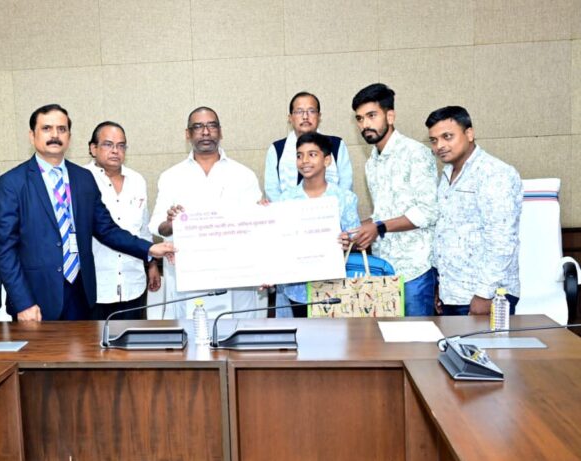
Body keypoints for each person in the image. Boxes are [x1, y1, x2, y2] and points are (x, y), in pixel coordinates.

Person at [0, 104, 174, 321]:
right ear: (32, 136)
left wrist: (149, 249)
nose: (55, 135)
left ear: (69, 137)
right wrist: (23, 302)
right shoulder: (12, 183)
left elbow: (106, 229)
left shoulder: (83, 178)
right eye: (47, 128)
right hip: (36, 299)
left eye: (62, 129)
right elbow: (5, 249)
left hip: (81, 294)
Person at [150, 106, 262, 320]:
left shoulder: (243, 175)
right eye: (198, 126)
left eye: (212, 125)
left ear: (220, 131)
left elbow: (256, 225)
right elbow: (157, 226)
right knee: (191, 335)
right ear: (188, 134)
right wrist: (170, 223)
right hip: (189, 278)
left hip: (236, 277)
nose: (206, 131)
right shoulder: (171, 176)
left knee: (238, 334)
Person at [349, 83, 439, 316]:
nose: (365, 124)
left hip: (415, 271)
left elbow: (428, 212)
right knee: (385, 338)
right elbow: (382, 213)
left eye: (371, 116)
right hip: (382, 270)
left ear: (390, 116)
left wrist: (378, 227)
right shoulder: (372, 163)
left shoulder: (415, 153)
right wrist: (356, 231)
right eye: (360, 119)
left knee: (417, 338)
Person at [426, 106, 522, 315]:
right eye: (434, 140)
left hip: (484, 296)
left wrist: (484, 295)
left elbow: (502, 240)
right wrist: (440, 286)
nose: (439, 146)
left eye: (447, 136)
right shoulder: (448, 173)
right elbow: (444, 233)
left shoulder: (495, 173)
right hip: (453, 293)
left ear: (469, 133)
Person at [264, 91, 353, 317]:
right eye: (299, 111)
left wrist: (345, 237)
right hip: (295, 272)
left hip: (332, 273)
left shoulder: (336, 146)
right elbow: (273, 194)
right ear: (290, 117)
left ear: (319, 116)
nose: (305, 116)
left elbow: (346, 192)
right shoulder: (277, 150)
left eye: (311, 111)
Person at [84, 121, 161, 320]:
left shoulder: (137, 180)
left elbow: (143, 229)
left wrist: (151, 264)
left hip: (133, 282)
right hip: (96, 287)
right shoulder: (81, 180)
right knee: (95, 340)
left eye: (121, 145)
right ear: (93, 148)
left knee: (133, 338)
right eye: (108, 144)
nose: (115, 151)